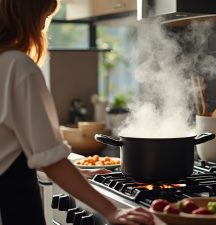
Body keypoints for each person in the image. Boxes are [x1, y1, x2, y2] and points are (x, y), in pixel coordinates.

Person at [0, 0, 156, 225]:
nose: (43, 27)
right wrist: (112, 211)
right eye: (44, 18)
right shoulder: (18, 67)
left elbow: (18, 149)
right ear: (28, 16)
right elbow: (51, 161)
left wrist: (77, 174)